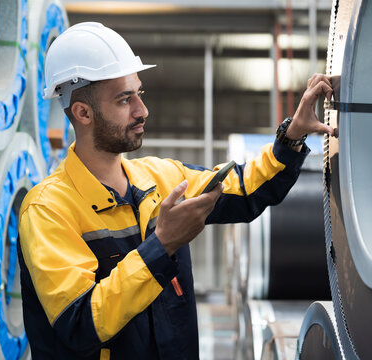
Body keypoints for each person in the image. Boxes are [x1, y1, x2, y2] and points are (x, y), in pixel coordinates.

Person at [17, 22, 334, 360]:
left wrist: (292, 137)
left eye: (139, 93)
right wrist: (162, 245)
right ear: (82, 112)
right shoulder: (48, 209)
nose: (142, 110)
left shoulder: (161, 177)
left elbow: (244, 190)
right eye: (125, 100)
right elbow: (80, 322)